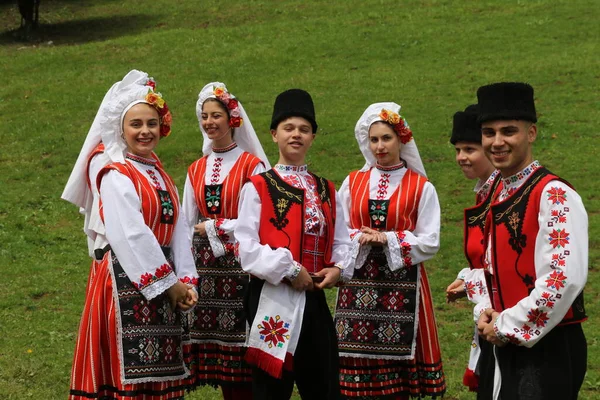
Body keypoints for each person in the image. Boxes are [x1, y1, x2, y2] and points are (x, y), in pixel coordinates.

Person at [65, 70, 199, 400]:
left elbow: (179, 229)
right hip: (122, 282)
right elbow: (130, 232)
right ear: (121, 129)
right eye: (136, 124)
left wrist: (186, 279)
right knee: (128, 382)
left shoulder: (157, 171)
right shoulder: (113, 171)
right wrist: (170, 284)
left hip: (160, 281)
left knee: (158, 380)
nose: (145, 131)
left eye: (151, 123)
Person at [235, 89, 352, 400]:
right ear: (274, 135)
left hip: (313, 298)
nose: (296, 135)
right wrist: (289, 269)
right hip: (272, 297)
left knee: (323, 385)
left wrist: (338, 268)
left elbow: (342, 239)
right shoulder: (258, 186)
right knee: (271, 390)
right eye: (288, 128)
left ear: (313, 137)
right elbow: (246, 248)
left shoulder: (327, 189)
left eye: (304, 129)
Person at [475, 82, 588, 400]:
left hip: (546, 344)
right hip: (501, 338)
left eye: (508, 131)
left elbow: (562, 279)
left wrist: (506, 325)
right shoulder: (497, 188)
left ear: (532, 133)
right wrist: (486, 309)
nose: (497, 142)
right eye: (488, 132)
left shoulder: (554, 194)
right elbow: (490, 264)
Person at [333, 102, 446, 399]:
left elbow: (431, 240)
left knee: (396, 387)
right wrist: (361, 237)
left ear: (401, 139)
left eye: (386, 138)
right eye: (374, 139)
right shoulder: (353, 181)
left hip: (403, 288)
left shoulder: (421, 187)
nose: (380, 146)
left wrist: (389, 239)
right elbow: (339, 230)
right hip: (357, 286)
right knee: (354, 380)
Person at [181, 82, 270, 399]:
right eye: (204, 116)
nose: (209, 122)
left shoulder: (252, 166)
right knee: (219, 357)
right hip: (206, 272)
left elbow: (258, 220)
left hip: (241, 269)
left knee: (243, 353)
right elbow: (186, 221)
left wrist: (215, 228)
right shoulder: (196, 169)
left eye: (216, 115)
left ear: (232, 119)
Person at [445, 104, 498, 392]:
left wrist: (472, 280)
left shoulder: (501, 196)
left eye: (469, 149)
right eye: (457, 150)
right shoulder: (484, 191)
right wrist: (468, 278)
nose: (461, 158)